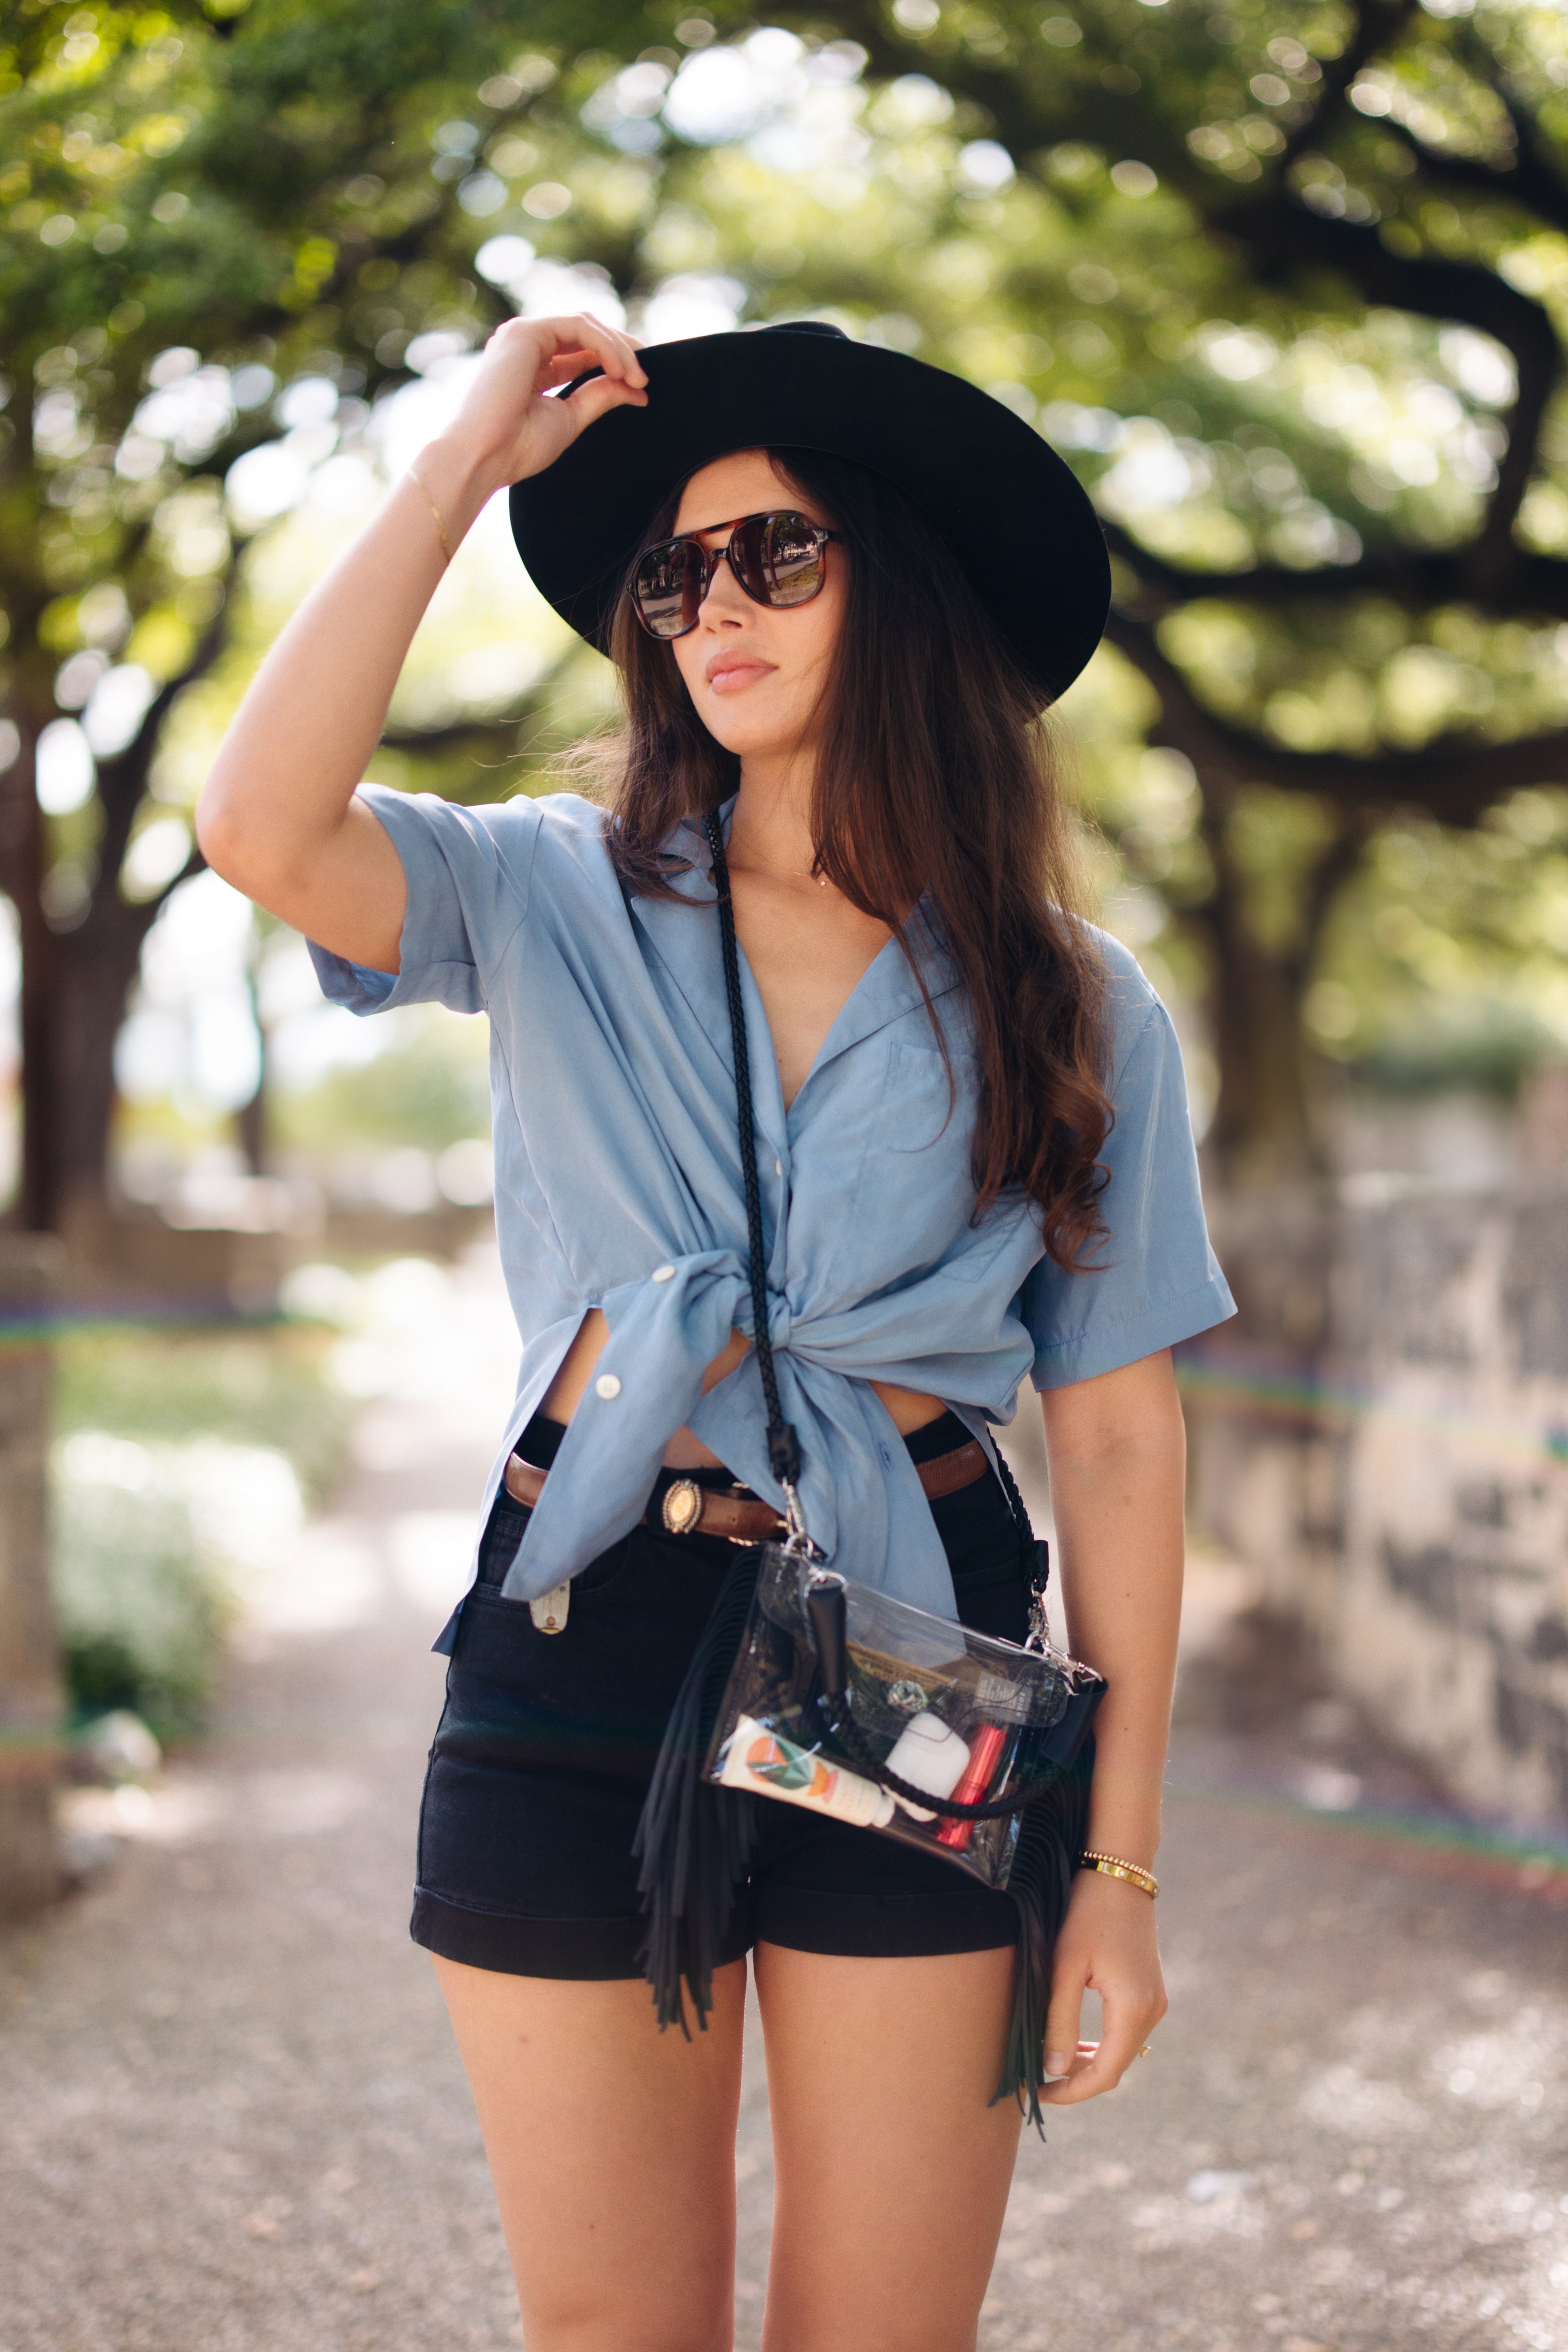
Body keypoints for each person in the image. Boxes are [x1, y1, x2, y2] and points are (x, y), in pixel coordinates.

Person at [199, 311, 1235, 2352]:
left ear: (901, 584)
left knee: (881, 2332)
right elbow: (259, 825)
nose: (710, 606)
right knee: (613, 2331)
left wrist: (1119, 1864)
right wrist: (458, 476)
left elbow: (1116, 1440)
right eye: (673, 572)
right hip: (584, 1620)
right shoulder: (547, 893)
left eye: (777, 554)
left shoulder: (1070, 994)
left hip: (914, 1633)